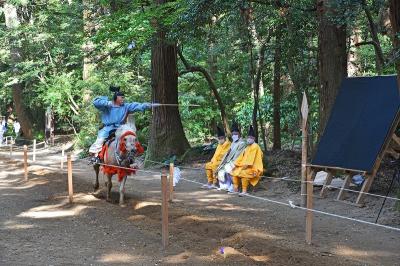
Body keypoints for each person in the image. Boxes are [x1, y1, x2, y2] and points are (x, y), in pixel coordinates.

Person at [89, 86, 152, 158]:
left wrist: (145, 105)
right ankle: (96, 158)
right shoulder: (107, 106)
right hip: (108, 128)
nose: (123, 99)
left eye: (123, 97)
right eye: (121, 97)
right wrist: (107, 103)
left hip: (121, 128)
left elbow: (136, 106)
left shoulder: (126, 106)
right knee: (100, 141)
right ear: (116, 98)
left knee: (130, 136)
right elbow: (96, 102)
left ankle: (132, 155)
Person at [230, 125, 263, 196]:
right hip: (244, 166)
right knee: (233, 172)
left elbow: (249, 162)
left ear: (254, 138)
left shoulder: (255, 146)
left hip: (254, 168)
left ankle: (244, 191)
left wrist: (242, 167)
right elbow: (241, 157)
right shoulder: (247, 147)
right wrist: (235, 164)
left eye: (251, 138)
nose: (249, 139)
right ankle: (235, 189)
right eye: (248, 137)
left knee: (243, 173)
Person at [216, 122, 247, 191]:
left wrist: (230, 163)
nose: (234, 135)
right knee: (220, 168)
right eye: (233, 134)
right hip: (230, 161)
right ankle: (225, 185)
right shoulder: (233, 142)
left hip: (238, 161)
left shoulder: (242, 143)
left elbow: (238, 155)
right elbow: (228, 153)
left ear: (239, 134)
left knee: (227, 168)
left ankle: (233, 186)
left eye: (235, 134)